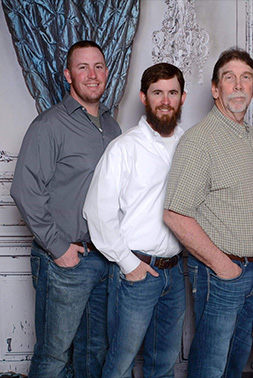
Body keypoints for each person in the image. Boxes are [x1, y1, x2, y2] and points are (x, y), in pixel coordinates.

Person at [10, 40, 121, 377]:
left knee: (93, 353)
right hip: (65, 262)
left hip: (103, 257)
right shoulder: (50, 125)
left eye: (98, 66)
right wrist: (59, 249)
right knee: (54, 357)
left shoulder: (112, 126)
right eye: (83, 67)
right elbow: (24, 190)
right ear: (67, 75)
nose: (92, 75)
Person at [163, 47, 253, 378]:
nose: (238, 86)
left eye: (245, 78)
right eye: (229, 78)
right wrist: (223, 267)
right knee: (210, 366)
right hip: (221, 273)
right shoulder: (200, 141)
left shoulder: (252, 137)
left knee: (234, 365)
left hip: (252, 273)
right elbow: (175, 214)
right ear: (215, 89)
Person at [83, 63, 187, 378]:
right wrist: (129, 264)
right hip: (136, 273)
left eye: (172, 92)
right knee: (120, 364)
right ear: (144, 97)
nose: (165, 100)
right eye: (158, 93)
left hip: (176, 272)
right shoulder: (124, 148)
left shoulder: (190, 146)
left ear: (182, 98)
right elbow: (97, 211)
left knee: (164, 364)